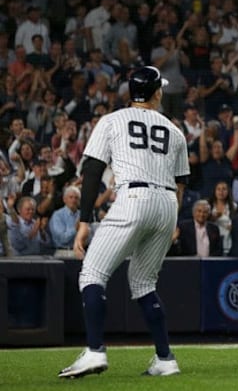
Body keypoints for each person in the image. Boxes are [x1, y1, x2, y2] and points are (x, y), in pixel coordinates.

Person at [59, 66, 189, 378]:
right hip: (168, 202)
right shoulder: (175, 130)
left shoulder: (112, 120)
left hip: (133, 196)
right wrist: (170, 221)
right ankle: (165, 359)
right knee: (144, 283)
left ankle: (94, 352)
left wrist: (84, 221)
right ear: (156, 92)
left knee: (91, 272)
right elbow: (182, 182)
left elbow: (91, 171)